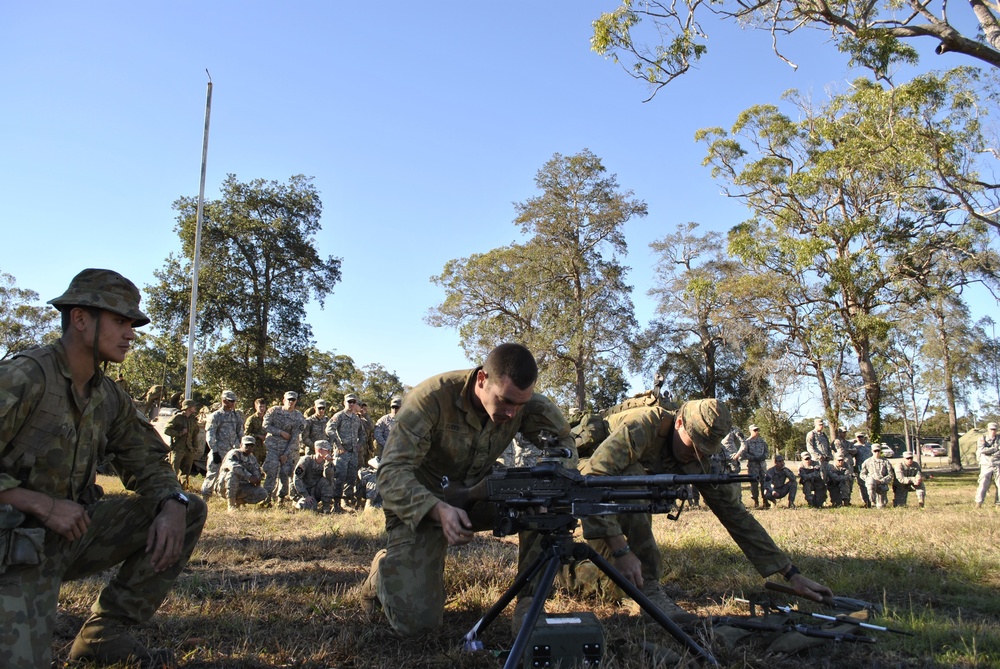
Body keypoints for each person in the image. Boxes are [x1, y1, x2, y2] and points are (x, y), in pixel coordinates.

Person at [0, 268, 207, 669]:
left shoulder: (107, 395)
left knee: (187, 506)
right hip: (11, 547)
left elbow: (146, 458)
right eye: (120, 321)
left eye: (132, 323)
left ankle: (104, 636)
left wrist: (172, 501)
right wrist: (40, 503)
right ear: (80, 318)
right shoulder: (23, 377)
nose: (130, 333)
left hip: (64, 537)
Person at [360, 343, 575, 637]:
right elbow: (391, 473)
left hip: (480, 493)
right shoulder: (430, 400)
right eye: (505, 401)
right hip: (422, 504)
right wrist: (437, 509)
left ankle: (531, 604)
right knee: (418, 627)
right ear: (482, 380)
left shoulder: (525, 403)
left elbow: (565, 445)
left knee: (545, 502)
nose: (512, 413)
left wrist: (551, 487)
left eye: (520, 405)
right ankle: (382, 573)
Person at [578, 400, 831, 625]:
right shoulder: (643, 425)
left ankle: (562, 573)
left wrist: (790, 573)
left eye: (706, 449)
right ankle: (649, 589)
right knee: (633, 481)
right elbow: (593, 477)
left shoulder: (699, 454)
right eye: (695, 444)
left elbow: (734, 514)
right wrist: (621, 549)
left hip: (608, 490)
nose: (698, 454)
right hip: (584, 474)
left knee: (615, 584)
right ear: (678, 423)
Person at [262, 391, 305, 506]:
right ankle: (266, 497)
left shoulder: (299, 418)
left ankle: (281, 497)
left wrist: (286, 454)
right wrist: (280, 432)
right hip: (272, 447)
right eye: (288, 399)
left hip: (288, 449)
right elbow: (265, 425)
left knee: (285, 473)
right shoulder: (274, 411)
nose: (291, 402)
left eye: (293, 400)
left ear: (296, 401)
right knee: (271, 471)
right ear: (283, 400)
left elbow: (295, 438)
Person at [326, 394, 366, 512]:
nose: (351, 404)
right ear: (344, 402)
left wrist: (359, 445)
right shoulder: (339, 416)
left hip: (353, 453)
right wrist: (338, 444)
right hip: (341, 453)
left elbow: (362, 434)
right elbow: (329, 429)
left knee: (351, 478)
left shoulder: (356, 418)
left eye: (353, 402)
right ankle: (336, 503)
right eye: (349, 401)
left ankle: (346, 501)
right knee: (339, 477)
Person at [202, 390, 244, 498]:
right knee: (212, 474)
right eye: (231, 401)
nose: (233, 403)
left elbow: (240, 432)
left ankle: (227, 496)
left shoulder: (236, 415)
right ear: (224, 401)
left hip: (232, 450)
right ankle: (206, 496)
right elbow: (210, 434)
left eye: (234, 401)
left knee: (231, 474)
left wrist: (241, 447)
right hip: (219, 450)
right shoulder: (216, 416)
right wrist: (214, 451)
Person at [218, 435, 267, 511]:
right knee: (233, 474)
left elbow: (256, 470)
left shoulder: (252, 458)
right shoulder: (234, 453)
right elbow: (234, 467)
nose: (249, 447)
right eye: (247, 445)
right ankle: (231, 504)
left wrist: (257, 479)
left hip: (242, 486)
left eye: (251, 446)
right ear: (241, 445)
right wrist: (249, 476)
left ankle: (238, 502)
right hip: (224, 486)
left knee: (263, 493)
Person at [164, 399, 200, 489]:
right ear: (188, 407)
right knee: (174, 471)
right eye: (193, 406)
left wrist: (195, 447)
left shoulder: (193, 420)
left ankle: (183, 488)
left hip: (189, 449)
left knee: (186, 471)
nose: (195, 408)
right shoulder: (177, 418)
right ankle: (171, 488)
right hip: (177, 448)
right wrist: (180, 433)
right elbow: (167, 430)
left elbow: (195, 434)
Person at [292, 440, 336, 512]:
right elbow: (297, 478)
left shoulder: (327, 462)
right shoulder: (306, 460)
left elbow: (329, 477)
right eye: (327, 450)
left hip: (315, 491)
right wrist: (305, 495)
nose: (329, 452)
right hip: (304, 491)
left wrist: (328, 463)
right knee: (309, 508)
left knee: (328, 481)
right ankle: (298, 502)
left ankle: (326, 508)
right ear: (319, 450)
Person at [733, 424, 769, 508]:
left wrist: (763, 456)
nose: (756, 432)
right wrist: (753, 458)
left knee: (764, 483)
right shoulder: (747, 442)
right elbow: (744, 454)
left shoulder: (762, 441)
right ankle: (756, 501)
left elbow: (767, 452)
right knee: (754, 484)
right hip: (753, 466)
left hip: (762, 466)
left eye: (757, 430)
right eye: (754, 430)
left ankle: (765, 500)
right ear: (750, 431)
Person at [859, 444, 895, 509]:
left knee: (880, 507)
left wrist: (881, 481)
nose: (877, 453)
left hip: (882, 485)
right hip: (871, 485)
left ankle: (879, 502)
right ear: (872, 451)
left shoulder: (885, 462)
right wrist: (869, 480)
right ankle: (872, 502)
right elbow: (862, 474)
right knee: (870, 483)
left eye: (878, 451)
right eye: (875, 451)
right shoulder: (867, 462)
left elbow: (890, 475)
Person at [975, 422, 1000, 508]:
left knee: (999, 484)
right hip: (986, 464)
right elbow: (982, 450)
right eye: (991, 429)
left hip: (998, 464)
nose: (993, 431)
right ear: (988, 429)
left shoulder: (999, 439)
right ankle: (979, 503)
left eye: (994, 429)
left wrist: (991, 451)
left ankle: (998, 503)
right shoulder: (982, 438)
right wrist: (995, 449)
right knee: (983, 483)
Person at [373, 395, 403, 459]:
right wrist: (386, 444)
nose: (394, 409)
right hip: (386, 452)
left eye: (397, 407)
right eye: (393, 407)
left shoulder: (406, 419)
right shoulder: (384, 419)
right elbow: (377, 433)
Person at [851, 432, 874, 508]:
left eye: (861, 436)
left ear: (864, 437)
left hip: (871, 468)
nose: (860, 438)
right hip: (860, 468)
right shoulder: (855, 447)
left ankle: (873, 501)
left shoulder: (870, 446)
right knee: (862, 486)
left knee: (872, 484)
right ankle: (866, 502)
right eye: (858, 437)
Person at [244, 398, 269, 465]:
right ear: (256, 407)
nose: (262, 408)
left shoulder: (267, 418)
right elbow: (246, 434)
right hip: (255, 448)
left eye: (264, 407)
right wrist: (258, 436)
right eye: (260, 407)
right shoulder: (251, 419)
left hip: (266, 447)